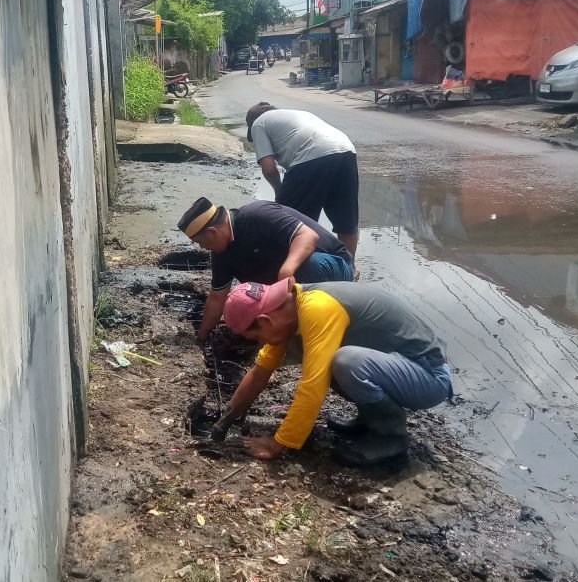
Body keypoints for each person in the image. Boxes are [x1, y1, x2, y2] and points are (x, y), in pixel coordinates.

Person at [208, 278, 453, 466]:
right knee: (337, 362)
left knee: (344, 361)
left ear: (264, 320)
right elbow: (260, 372)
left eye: (256, 336)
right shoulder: (289, 310)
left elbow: (313, 385)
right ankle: (369, 422)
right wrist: (225, 421)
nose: (260, 342)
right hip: (400, 369)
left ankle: (391, 437)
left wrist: (277, 445)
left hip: (429, 376)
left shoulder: (317, 308)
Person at [177, 197, 353, 345]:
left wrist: (287, 269)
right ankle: (285, 326)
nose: (203, 247)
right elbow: (217, 297)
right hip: (287, 286)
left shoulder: (256, 215)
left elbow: (307, 236)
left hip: (333, 266)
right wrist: (201, 337)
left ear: (212, 231)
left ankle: (311, 330)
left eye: (201, 242)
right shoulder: (220, 253)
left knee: (308, 264)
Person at [245, 102, 360, 264]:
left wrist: (279, 193)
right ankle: (349, 268)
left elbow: (269, 169)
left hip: (311, 154)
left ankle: (294, 268)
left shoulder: (258, 123)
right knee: (346, 220)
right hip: (346, 149)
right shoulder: (293, 114)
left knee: (289, 221)